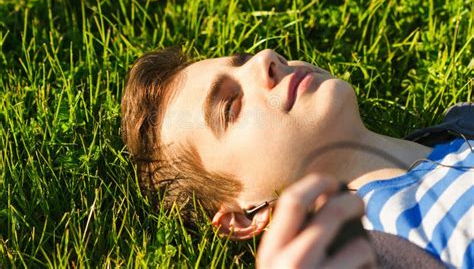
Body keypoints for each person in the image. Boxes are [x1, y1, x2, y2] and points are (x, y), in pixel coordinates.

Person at [121, 47, 472, 268]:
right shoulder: (374, 250)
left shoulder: (462, 122)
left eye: (245, 60)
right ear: (243, 218)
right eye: (231, 106)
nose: (266, 59)